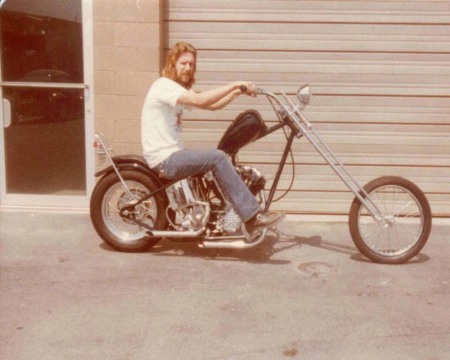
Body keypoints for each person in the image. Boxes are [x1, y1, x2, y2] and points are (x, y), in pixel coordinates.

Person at [141, 42, 283, 236]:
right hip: (165, 159)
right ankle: (251, 217)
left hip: (173, 154)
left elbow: (211, 106)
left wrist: (238, 92)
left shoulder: (176, 89)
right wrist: (235, 83)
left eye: (191, 64)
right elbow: (201, 100)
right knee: (217, 157)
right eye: (183, 63)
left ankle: (229, 212)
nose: (188, 68)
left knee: (218, 156)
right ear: (172, 63)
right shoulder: (164, 86)